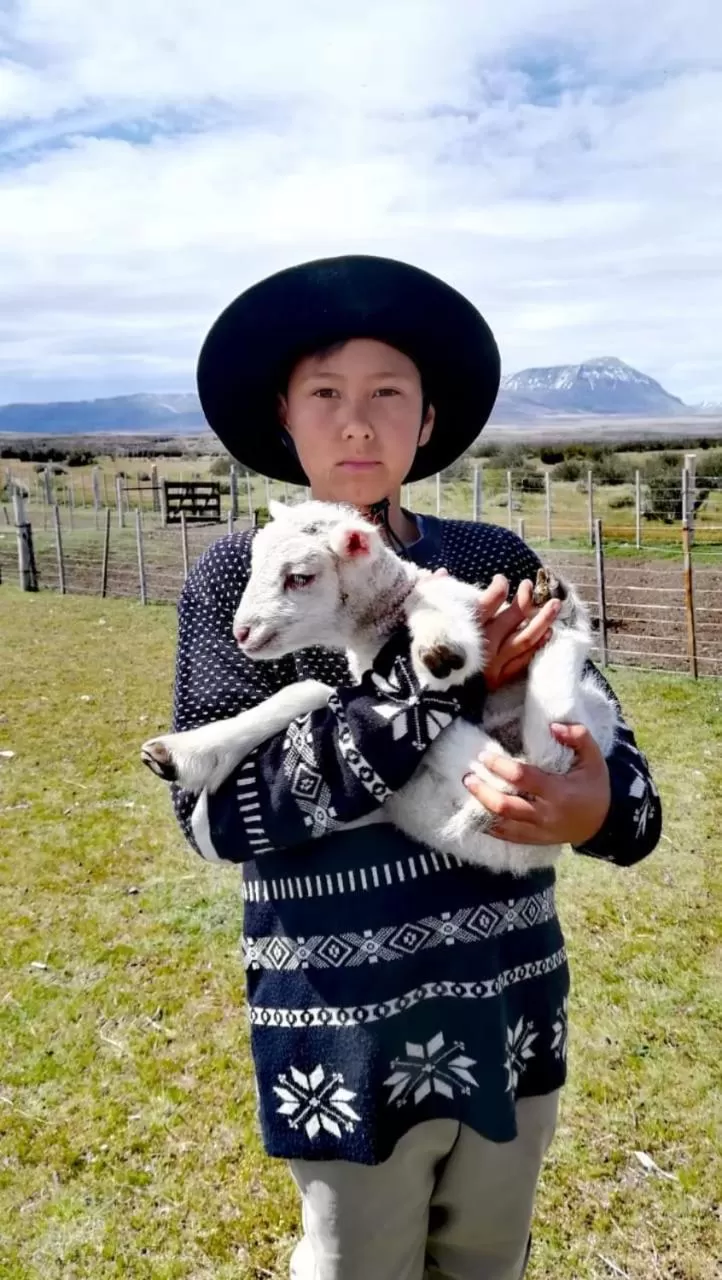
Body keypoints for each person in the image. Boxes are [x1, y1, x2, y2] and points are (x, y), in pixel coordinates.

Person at [170, 255, 662, 1280]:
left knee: (488, 1254)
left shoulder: (488, 551)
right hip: (343, 1017)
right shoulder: (242, 577)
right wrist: (430, 685)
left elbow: (618, 774)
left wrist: (597, 803)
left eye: (386, 393)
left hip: (507, 998)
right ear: (284, 416)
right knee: (354, 1259)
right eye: (326, 393)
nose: (357, 422)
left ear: (427, 419)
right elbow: (219, 816)